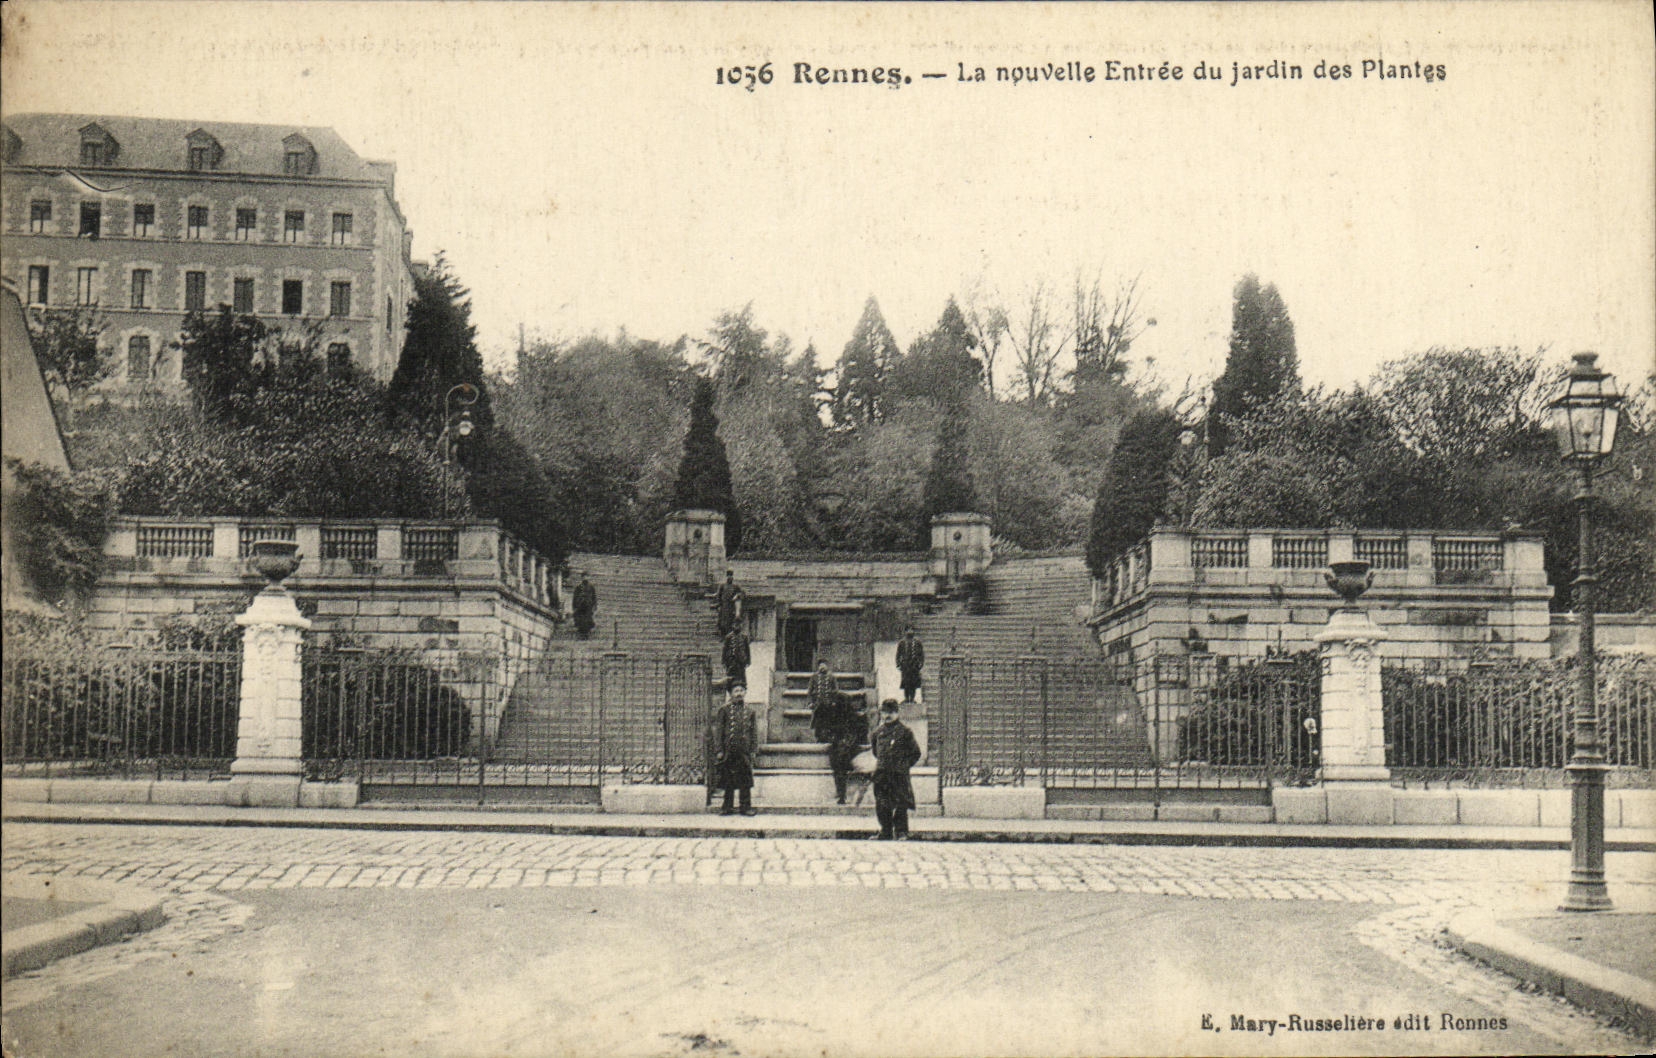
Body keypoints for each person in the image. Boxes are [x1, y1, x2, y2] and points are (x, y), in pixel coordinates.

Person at [870, 698, 921, 839]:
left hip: (898, 774)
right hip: (882, 773)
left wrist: (903, 766)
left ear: (897, 713)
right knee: (882, 804)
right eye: (885, 712)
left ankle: (901, 832)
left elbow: (915, 753)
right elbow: (876, 751)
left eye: (891, 712)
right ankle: (885, 831)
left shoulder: (905, 732)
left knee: (900, 804)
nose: (888, 715)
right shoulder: (877, 733)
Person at [812, 688, 868, 805]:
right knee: (839, 763)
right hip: (842, 747)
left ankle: (842, 794)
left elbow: (858, 733)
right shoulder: (838, 715)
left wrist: (845, 742)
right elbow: (824, 732)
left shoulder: (849, 716)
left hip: (847, 748)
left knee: (839, 764)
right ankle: (842, 794)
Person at [711, 685, 758, 816]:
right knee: (728, 781)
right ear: (731, 693)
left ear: (745, 692)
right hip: (729, 751)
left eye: (741, 691)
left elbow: (754, 732)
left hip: (744, 752)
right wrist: (719, 750)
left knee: (745, 781)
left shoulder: (750, 711)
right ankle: (727, 807)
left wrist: (754, 749)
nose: (739, 694)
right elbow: (719, 731)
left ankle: (746, 807)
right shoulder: (724, 710)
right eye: (736, 691)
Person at [713, 569, 745, 638]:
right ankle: (721, 634)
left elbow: (742, 593)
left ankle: (730, 636)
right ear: (726, 577)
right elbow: (718, 595)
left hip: (732, 606)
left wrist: (737, 596)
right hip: (724, 606)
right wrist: (718, 604)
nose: (729, 578)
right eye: (728, 576)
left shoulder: (735, 586)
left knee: (731, 621)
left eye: (731, 576)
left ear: (732, 577)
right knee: (722, 622)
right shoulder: (722, 586)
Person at [896, 627, 924, 704]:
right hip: (905, 666)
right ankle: (906, 698)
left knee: (913, 683)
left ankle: (912, 698)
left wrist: (921, 663)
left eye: (911, 630)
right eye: (908, 630)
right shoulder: (902, 642)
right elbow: (898, 654)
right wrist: (898, 664)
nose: (910, 632)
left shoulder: (917, 642)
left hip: (914, 666)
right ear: (905, 632)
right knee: (906, 683)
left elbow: (921, 654)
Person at [721, 625, 751, 690]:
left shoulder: (744, 637)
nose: (736, 626)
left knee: (741, 677)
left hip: (741, 662)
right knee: (731, 677)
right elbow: (725, 649)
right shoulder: (728, 637)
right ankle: (730, 690)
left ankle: (741, 691)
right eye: (735, 624)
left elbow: (747, 649)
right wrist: (724, 661)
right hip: (731, 662)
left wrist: (748, 660)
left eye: (738, 624)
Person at [572, 574, 597, 639]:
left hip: (588, 606)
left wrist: (594, 605)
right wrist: (574, 605)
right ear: (582, 578)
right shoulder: (578, 587)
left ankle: (586, 634)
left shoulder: (591, 587)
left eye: (586, 576)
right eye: (584, 577)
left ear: (588, 577)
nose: (585, 578)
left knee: (588, 619)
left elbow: (594, 597)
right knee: (581, 620)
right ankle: (581, 634)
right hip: (580, 606)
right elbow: (575, 597)